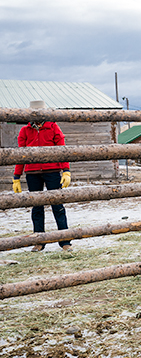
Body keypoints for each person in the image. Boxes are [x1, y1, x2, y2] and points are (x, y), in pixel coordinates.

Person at [12, 100, 73, 252]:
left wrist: (66, 170)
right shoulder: (25, 131)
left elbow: (62, 150)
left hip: (52, 171)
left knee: (57, 205)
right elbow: (20, 155)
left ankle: (65, 241)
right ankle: (39, 241)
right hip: (32, 173)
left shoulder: (53, 127)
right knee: (37, 207)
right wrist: (16, 176)